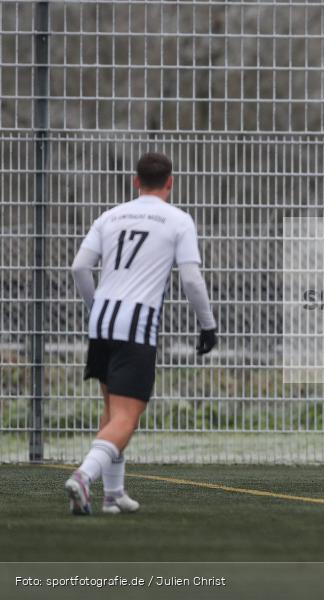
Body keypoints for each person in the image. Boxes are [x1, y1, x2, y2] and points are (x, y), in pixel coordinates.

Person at [65, 152, 218, 515]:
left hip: (102, 322)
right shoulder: (178, 220)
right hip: (137, 326)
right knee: (126, 417)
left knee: (112, 410)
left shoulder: (111, 215)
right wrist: (208, 324)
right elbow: (192, 279)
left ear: (136, 181)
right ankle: (84, 477)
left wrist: (96, 308)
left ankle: (113, 493)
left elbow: (79, 268)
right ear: (170, 182)